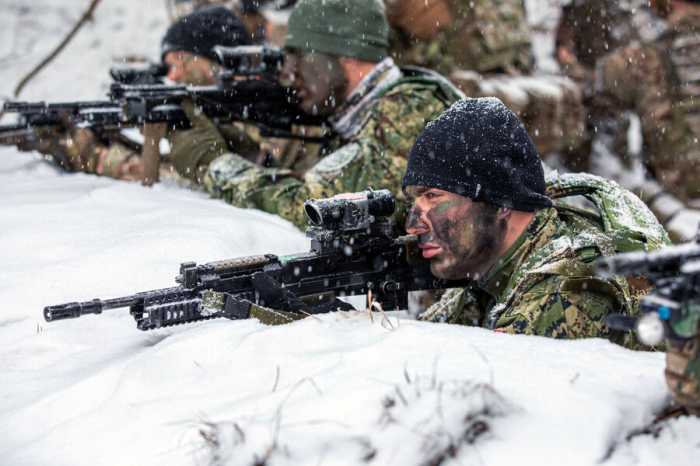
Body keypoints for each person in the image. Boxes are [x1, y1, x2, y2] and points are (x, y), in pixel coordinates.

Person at [176, 0, 463, 230]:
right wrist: (247, 154)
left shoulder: (405, 111)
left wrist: (210, 163)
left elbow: (311, 210)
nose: (287, 72)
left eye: (296, 55)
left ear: (346, 53)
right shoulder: (361, 116)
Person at [17, 6, 259, 182]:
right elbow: (196, 166)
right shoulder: (230, 106)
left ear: (216, 56)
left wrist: (99, 159)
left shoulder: (267, 108)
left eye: (180, 62)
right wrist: (120, 144)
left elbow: (215, 180)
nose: (173, 76)